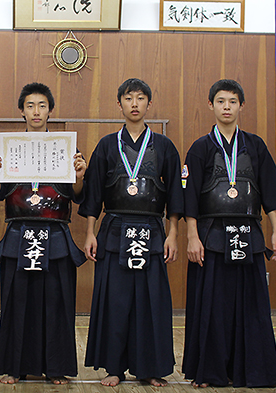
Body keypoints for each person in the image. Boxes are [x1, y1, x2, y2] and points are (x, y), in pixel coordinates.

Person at [182, 79, 276, 388]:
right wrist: (192, 236)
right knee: (211, 305)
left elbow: (268, 191)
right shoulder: (200, 148)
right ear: (211, 106)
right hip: (211, 235)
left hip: (249, 233)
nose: (226, 107)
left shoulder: (255, 145)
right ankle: (209, 371)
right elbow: (190, 197)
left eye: (232, 101)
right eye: (220, 101)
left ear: (242, 106)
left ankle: (253, 371)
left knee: (251, 306)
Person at [80, 78, 183, 387]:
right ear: (119, 104)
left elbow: (175, 193)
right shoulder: (107, 145)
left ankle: (149, 368)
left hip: (152, 230)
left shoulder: (164, 145)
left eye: (140, 98)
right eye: (129, 98)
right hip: (114, 229)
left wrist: (173, 232)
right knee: (116, 301)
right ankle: (114, 367)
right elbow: (94, 193)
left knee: (151, 302)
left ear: (149, 104)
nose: (135, 104)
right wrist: (89, 232)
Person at [0, 82, 87, 385]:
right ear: (21, 111)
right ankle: (14, 367)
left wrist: (80, 175)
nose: (36, 111)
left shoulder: (67, 148)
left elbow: (77, 195)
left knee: (57, 305)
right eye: (30, 105)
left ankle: (55, 367)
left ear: (50, 110)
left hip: (55, 235)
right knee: (17, 304)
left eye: (42, 105)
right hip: (18, 234)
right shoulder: (9, 149)